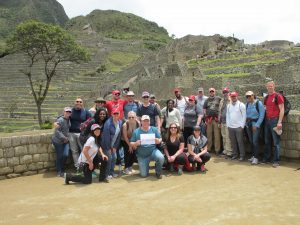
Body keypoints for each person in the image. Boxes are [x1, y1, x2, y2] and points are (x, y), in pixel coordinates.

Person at [263, 80, 284, 168]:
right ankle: (267, 158)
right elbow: (265, 108)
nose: (270, 87)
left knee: (276, 142)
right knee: (267, 141)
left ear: (274, 86)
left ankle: (276, 161)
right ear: (266, 87)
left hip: (275, 121)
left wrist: (279, 122)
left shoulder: (278, 96)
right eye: (268, 86)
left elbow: (282, 109)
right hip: (267, 121)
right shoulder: (266, 97)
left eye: (271, 86)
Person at [69, 97, 91, 168]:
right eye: (77, 101)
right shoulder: (71, 111)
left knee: (83, 150)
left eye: (80, 102)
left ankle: (84, 166)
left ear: (82, 103)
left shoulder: (85, 112)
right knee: (74, 151)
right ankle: (77, 166)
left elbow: (90, 120)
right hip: (71, 133)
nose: (78, 103)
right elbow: (64, 116)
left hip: (81, 134)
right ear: (74, 103)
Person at [101, 108, 123, 179]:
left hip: (113, 145)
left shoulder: (120, 122)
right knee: (109, 158)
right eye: (114, 113)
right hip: (106, 145)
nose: (116, 115)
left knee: (115, 158)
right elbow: (106, 137)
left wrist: (115, 147)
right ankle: (107, 174)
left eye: (117, 113)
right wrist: (108, 148)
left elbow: (119, 136)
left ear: (119, 114)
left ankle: (112, 172)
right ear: (111, 114)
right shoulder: (108, 123)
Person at [245, 91, 265, 165]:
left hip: (255, 124)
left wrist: (257, 125)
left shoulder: (258, 103)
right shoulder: (247, 104)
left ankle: (256, 158)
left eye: (250, 96)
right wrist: (245, 123)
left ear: (253, 95)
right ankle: (253, 155)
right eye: (247, 96)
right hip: (248, 124)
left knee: (255, 141)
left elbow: (262, 115)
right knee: (251, 141)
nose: (248, 97)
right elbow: (245, 114)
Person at [226, 92, 246, 161]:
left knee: (240, 142)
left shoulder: (241, 105)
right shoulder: (228, 105)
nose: (233, 98)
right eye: (232, 97)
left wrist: (242, 126)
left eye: (234, 96)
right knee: (233, 142)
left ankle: (242, 155)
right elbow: (227, 116)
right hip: (231, 127)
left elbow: (244, 116)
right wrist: (228, 125)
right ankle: (235, 154)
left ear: (237, 96)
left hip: (238, 127)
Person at [52, 107, 71, 177]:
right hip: (58, 141)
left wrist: (66, 139)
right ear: (64, 112)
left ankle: (62, 169)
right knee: (59, 156)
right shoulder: (60, 120)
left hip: (65, 141)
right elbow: (57, 131)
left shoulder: (69, 119)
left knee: (65, 155)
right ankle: (59, 171)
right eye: (67, 112)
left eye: (69, 112)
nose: (68, 113)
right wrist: (64, 138)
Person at [203, 87, 222, 154]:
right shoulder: (206, 100)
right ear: (209, 92)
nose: (212, 93)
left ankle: (217, 150)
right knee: (209, 135)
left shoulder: (218, 98)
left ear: (215, 92)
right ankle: (208, 148)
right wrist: (205, 119)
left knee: (217, 135)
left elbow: (222, 106)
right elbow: (204, 109)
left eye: (213, 91)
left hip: (216, 119)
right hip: (209, 120)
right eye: (210, 92)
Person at [218, 87, 232, 158]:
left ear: (228, 92)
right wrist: (219, 122)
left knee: (228, 137)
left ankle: (229, 151)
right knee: (223, 136)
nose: (225, 93)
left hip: (228, 121)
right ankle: (225, 150)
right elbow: (220, 112)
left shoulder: (231, 100)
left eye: (226, 92)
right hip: (222, 121)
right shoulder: (222, 101)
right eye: (224, 92)